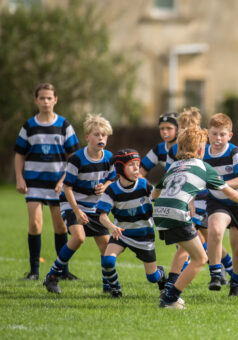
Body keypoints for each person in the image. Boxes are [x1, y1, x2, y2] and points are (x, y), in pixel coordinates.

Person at [155, 127, 238, 309]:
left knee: (183, 250)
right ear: (199, 150)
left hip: (160, 213)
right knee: (199, 259)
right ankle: (170, 298)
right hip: (178, 214)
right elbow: (230, 193)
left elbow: (156, 193)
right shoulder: (204, 167)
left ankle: (168, 290)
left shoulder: (174, 166)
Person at [43, 114, 116, 294]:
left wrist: (105, 186)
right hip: (72, 203)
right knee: (79, 238)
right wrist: (76, 211)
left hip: (95, 207)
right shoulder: (77, 159)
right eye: (96, 134)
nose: (101, 138)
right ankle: (52, 276)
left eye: (104, 135)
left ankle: (108, 286)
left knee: (106, 247)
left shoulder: (109, 157)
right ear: (87, 137)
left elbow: (113, 179)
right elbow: (67, 188)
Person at [14, 83, 80, 281]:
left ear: (55, 100)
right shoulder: (29, 126)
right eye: (41, 98)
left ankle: (63, 271)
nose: (45, 101)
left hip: (57, 184)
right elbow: (19, 153)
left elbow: (74, 157)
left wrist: (64, 179)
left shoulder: (64, 125)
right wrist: (19, 176)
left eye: (49, 98)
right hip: (34, 182)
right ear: (36, 100)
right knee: (34, 224)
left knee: (60, 227)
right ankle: (34, 271)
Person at [96, 149, 167, 298]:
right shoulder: (112, 190)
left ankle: (162, 275)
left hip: (144, 235)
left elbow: (155, 197)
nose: (137, 169)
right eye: (131, 165)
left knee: (152, 277)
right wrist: (112, 227)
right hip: (121, 233)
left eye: (138, 164)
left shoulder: (143, 184)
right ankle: (115, 289)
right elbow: (102, 215)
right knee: (108, 260)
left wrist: (162, 188)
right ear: (121, 168)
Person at [203, 113, 238, 296]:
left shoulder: (234, 152)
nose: (218, 138)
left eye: (222, 134)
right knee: (215, 230)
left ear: (229, 136)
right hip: (218, 202)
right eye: (214, 134)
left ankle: (237, 282)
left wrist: (220, 183)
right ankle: (216, 274)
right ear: (207, 134)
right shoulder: (201, 153)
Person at [139, 112, 178, 178]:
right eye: (162, 128)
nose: (165, 132)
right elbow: (141, 171)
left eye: (169, 128)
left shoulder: (185, 147)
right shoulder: (159, 149)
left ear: (178, 129)